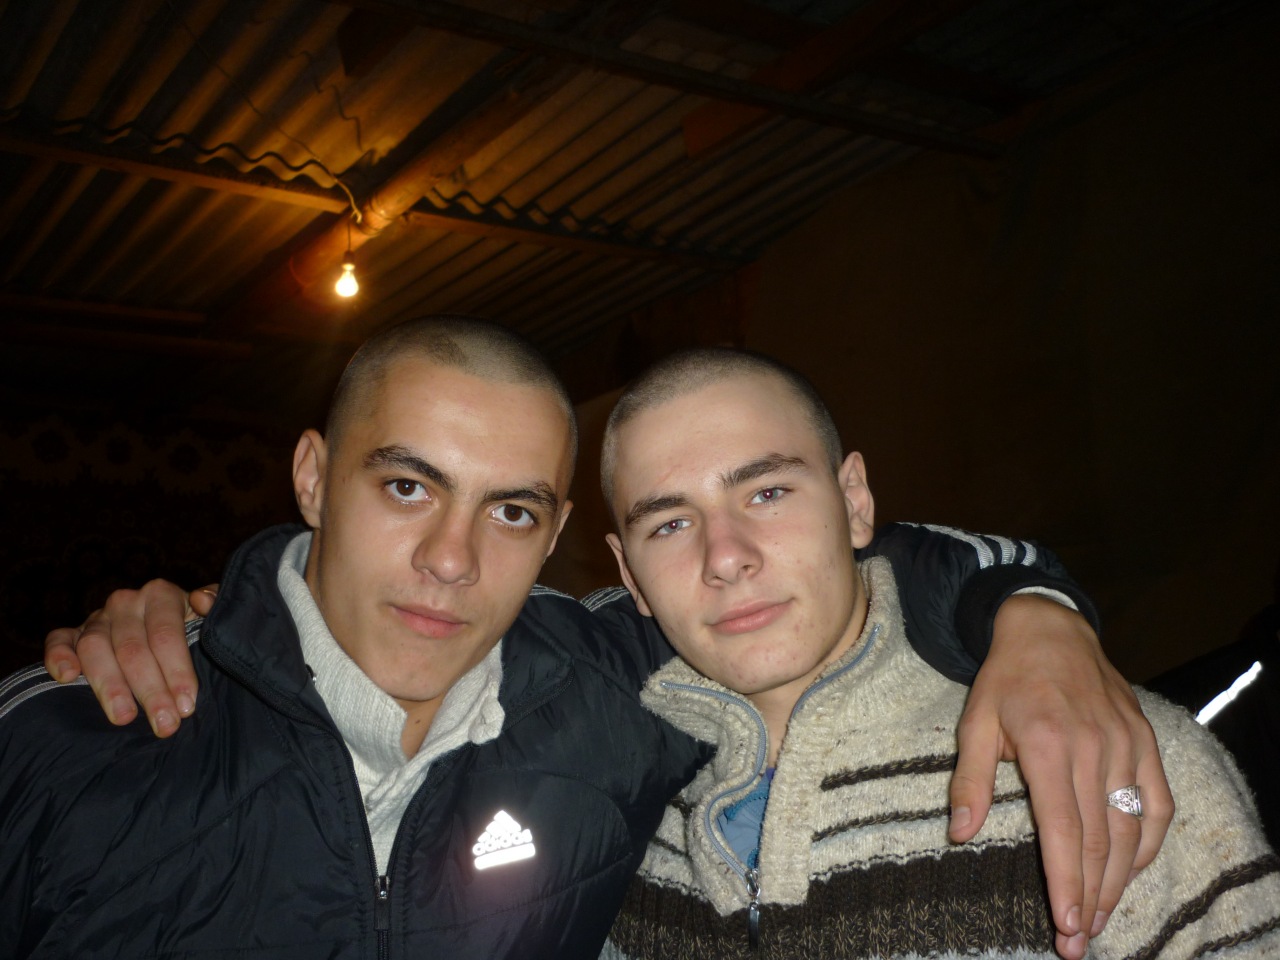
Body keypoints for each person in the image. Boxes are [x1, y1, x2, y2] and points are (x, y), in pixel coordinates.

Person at [9, 317, 1162, 959]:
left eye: (509, 512)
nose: (452, 559)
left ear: (559, 534)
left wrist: (1036, 618)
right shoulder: (63, 744)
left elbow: (828, 572)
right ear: (312, 477)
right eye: (407, 487)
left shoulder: (598, 683)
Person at [594, 348, 1279, 959]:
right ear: (630, 574)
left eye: (768, 493)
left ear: (854, 502)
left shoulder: (1100, 748)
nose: (725, 557)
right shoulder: (602, 805)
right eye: (671, 524)